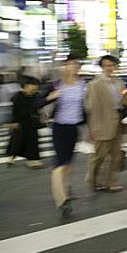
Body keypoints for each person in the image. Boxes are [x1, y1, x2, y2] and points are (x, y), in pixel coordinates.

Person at [43, 55, 86, 218]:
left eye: (76, 64)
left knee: (68, 165)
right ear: (64, 67)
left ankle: (65, 190)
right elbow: (37, 102)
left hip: (74, 129)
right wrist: (51, 97)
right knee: (60, 165)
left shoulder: (82, 86)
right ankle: (61, 201)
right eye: (70, 64)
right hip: (59, 128)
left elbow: (86, 108)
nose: (73, 67)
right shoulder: (56, 85)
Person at [86, 55, 125, 193]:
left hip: (118, 124)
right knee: (99, 156)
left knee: (116, 155)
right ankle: (93, 179)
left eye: (112, 65)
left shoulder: (120, 83)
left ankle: (112, 182)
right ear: (102, 67)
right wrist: (93, 128)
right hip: (102, 124)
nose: (110, 68)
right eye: (107, 65)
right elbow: (92, 108)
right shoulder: (94, 85)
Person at [6, 76, 49, 168]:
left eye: (36, 87)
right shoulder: (18, 97)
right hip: (21, 123)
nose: (35, 89)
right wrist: (14, 122)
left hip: (32, 122)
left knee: (32, 141)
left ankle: (33, 161)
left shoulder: (36, 95)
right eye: (32, 87)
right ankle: (12, 157)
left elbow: (39, 107)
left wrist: (44, 116)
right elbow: (14, 110)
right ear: (25, 86)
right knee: (17, 142)